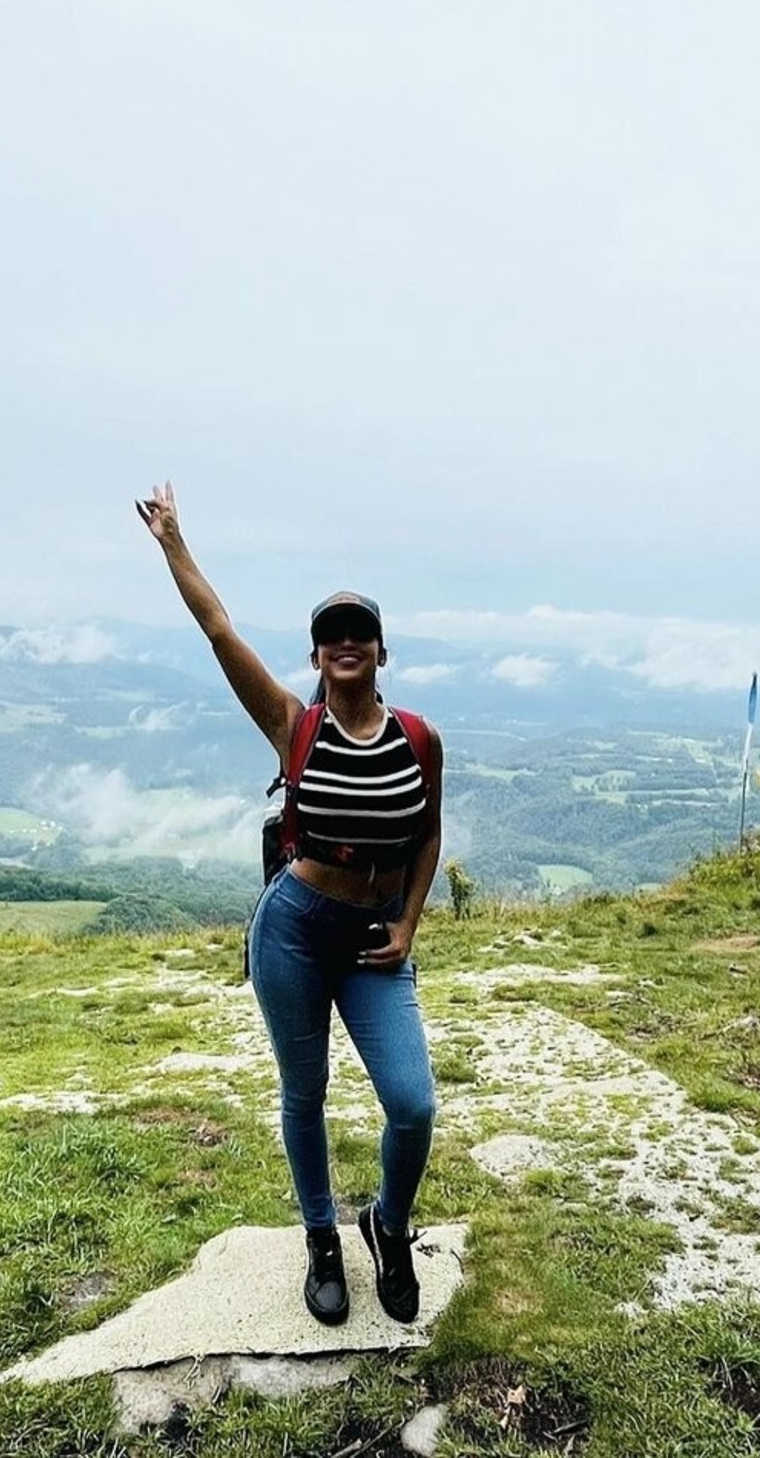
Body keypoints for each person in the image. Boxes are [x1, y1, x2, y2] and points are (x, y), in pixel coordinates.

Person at [136, 481, 442, 1326]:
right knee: (304, 1092)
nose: (345, 643)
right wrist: (174, 544)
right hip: (295, 930)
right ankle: (321, 1239)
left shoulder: (419, 738)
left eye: (358, 633)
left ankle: (388, 1223)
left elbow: (427, 837)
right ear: (315, 657)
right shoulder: (292, 724)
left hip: (376, 937)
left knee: (412, 1103)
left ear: (381, 651)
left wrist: (409, 921)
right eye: (330, 635)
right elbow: (218, 629)